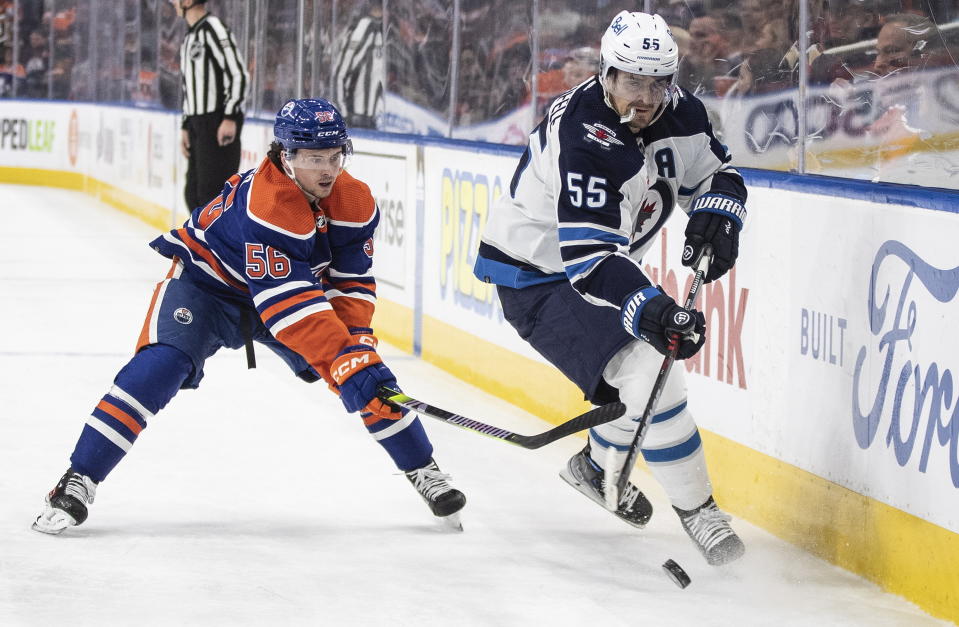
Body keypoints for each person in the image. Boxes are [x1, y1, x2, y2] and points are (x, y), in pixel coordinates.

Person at [33, 98, 467, 535]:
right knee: (160, 366)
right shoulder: (269, 205)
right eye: (314, 158)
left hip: (285, 294)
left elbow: (351, 284)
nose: (327, 170)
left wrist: (359, 346)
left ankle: (423, 469)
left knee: (360, 369)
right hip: (206, 288)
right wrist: (350, 361)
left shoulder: (353, 201)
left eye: (335, 156)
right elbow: (292, 310)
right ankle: (79, 477)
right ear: (286, 155)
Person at [473, 11, 747, 566]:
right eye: (632, 81)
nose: (645, 97)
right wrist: (650, 309)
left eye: (657, 82)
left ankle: (597, 468)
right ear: (606, 74)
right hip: (537, 277)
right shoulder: (588, 135)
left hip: (588, 266)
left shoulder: (682, 114)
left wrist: (721, 209)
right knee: (650, 370)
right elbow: (590, 261)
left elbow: (717, 174)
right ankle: (698, 510)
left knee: (648, 370)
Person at [172, 0, 249, 212]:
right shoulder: (190, 36)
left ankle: (218, 245)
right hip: (198, 123)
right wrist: (187, 125)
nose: (172, 3)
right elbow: (189, 87)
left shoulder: (213, 27)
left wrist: (230, 117)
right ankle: (202, 244)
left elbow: (238, 74)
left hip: (217, 120)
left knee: (212, 195)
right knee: (193, 194)